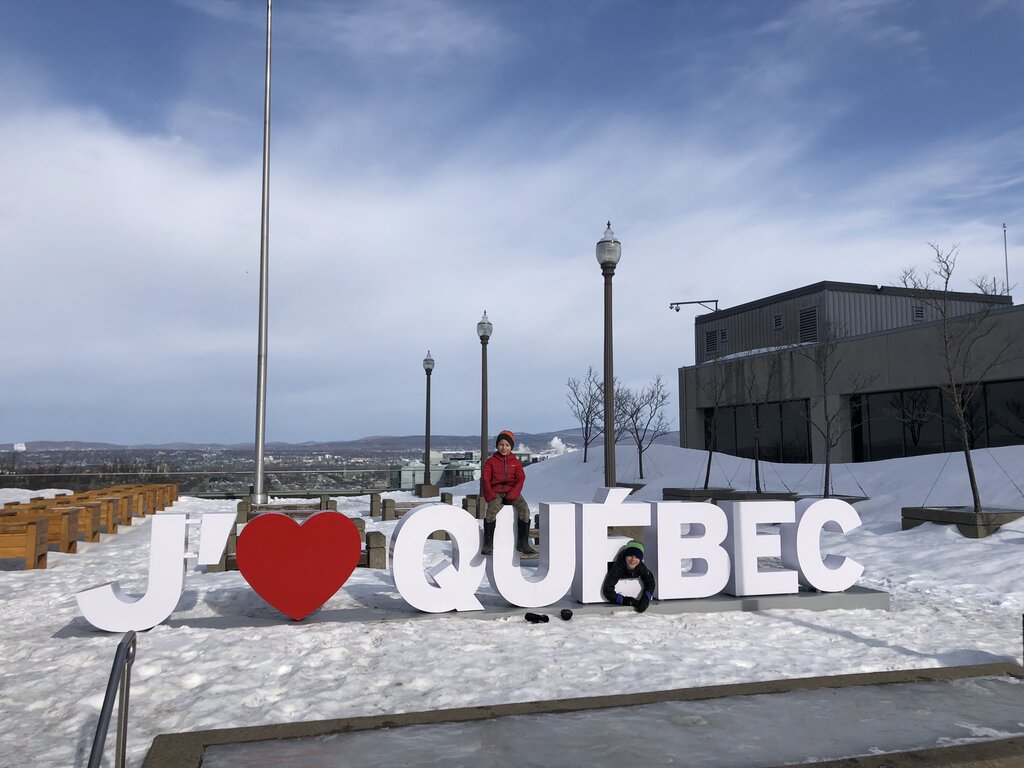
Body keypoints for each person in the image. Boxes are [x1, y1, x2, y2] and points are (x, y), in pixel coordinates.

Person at [481, 430, 537, 557]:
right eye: (501, 444)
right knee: (491, 512)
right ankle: (488, 543)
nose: (504, 447)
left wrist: (513, 493)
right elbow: (485, 480)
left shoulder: (515, 462)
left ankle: (522, 543)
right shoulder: (491, 462)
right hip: (496, 493)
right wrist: (490, 496)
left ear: (511, 446)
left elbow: (520, 479)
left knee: (524, 509)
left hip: (512, 492)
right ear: (497, 445)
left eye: (507, 445)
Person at [602, 540, 655, 612]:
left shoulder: (641, 568)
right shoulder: (618, 568)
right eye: (630, 555)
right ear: (626, 555)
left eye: (637, 557)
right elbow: (607, 590)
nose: (633, 559)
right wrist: (626, 600)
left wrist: (646, 598)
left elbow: (650, 582)